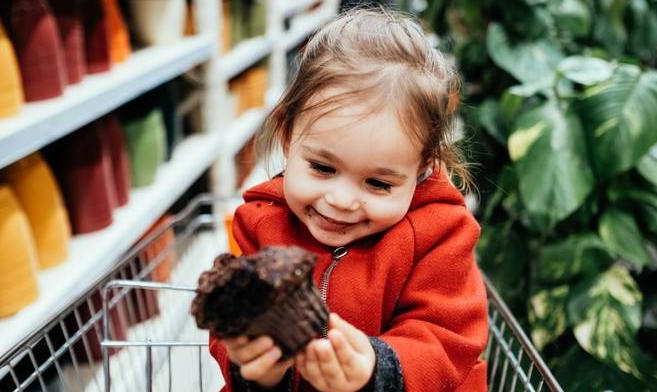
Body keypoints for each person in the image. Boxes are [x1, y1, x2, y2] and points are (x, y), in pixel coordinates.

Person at [209, 8, 489, 392]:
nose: (341, 200)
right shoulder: (262, 222)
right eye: (323, 168)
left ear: (422, 167)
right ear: (289, 137)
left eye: (377, 183)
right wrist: (254, 365)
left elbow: (448, 337)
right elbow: (233, 328)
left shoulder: (440, 235)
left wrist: (378, 368)